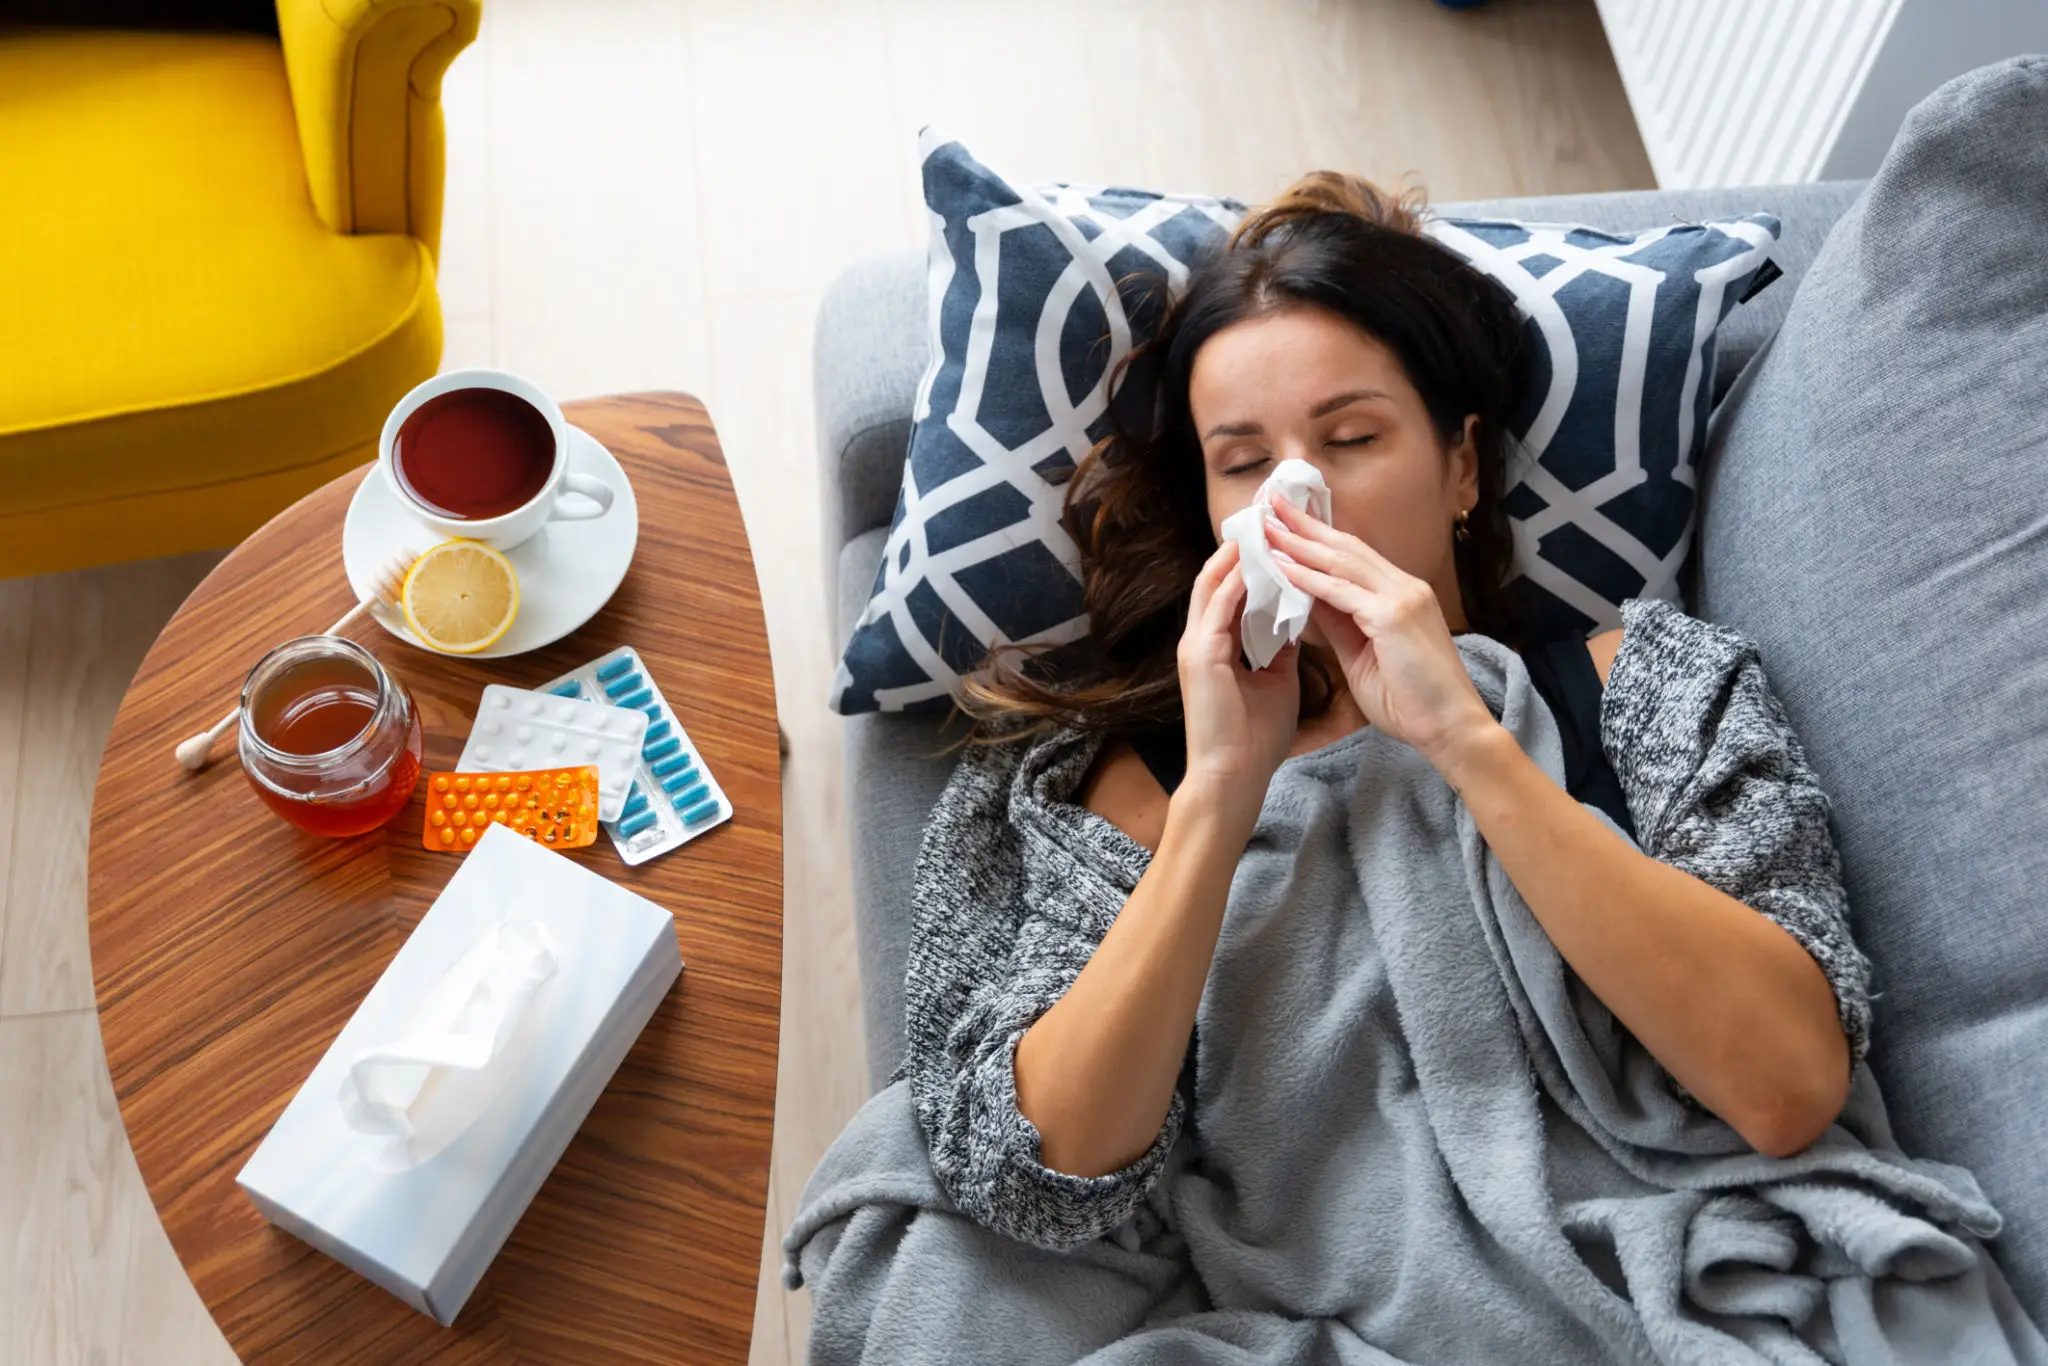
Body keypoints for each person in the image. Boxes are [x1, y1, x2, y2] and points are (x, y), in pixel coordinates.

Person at [785, 173, 2040, 1364]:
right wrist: (1220, 792)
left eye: (1349, 437)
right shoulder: (1095, 790)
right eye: (1243, 462)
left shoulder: (1641, 682)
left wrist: (1468, 743)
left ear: (1456, 468)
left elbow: (1787, 1089)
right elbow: (1035, 1173)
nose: (1298, 501)